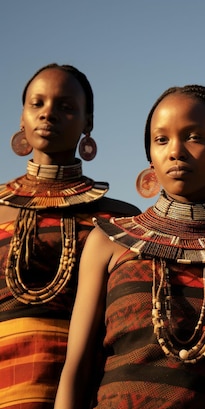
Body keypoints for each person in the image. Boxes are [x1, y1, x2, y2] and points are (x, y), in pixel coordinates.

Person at [54, 85, 205, 408]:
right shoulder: (108, 242)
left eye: (194, 137)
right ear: (150, 155)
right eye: (161, 139)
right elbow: (78, 367)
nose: (175, 151)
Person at [0, 63, 139, 408]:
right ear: (22, 117)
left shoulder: (120, 220)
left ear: (87, 123)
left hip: (88, 392)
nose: (48, 115)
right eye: (37, 104)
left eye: (65, 106)